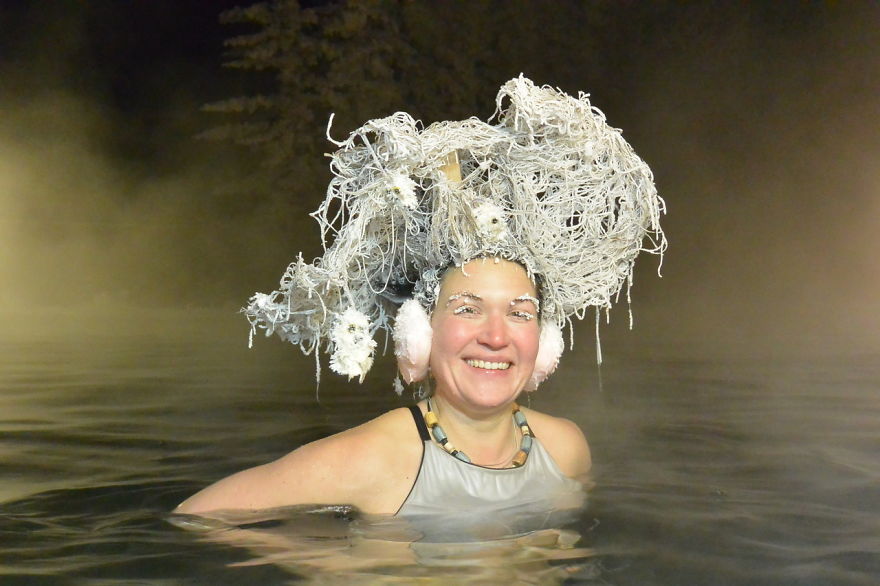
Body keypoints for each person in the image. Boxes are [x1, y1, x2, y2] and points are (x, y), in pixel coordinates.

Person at [176, 76, 665, 518]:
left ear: (544, 342)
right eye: (468, 309)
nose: (496, 337)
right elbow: (197, 517)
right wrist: (333, 565)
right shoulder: (374, 458)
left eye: (519, 313)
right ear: (420, 332)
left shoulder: (566, 449)